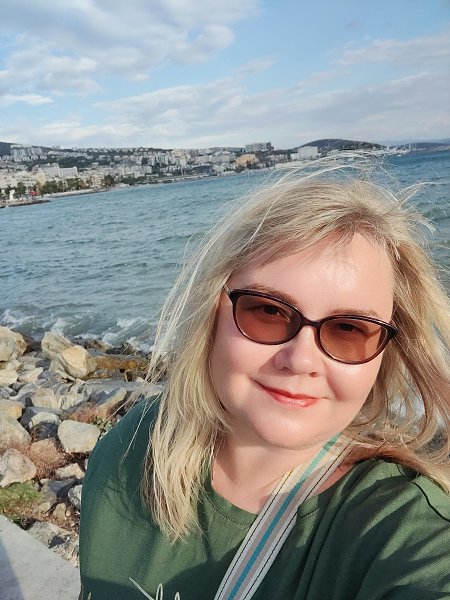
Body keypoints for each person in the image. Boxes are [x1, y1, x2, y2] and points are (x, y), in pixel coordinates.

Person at [79, 163, 450, 600]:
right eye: (269, 311)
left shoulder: (400, 527)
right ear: (211, 312)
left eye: (348, 329)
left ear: (384, 355)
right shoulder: (136, 442)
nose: (301, 360)